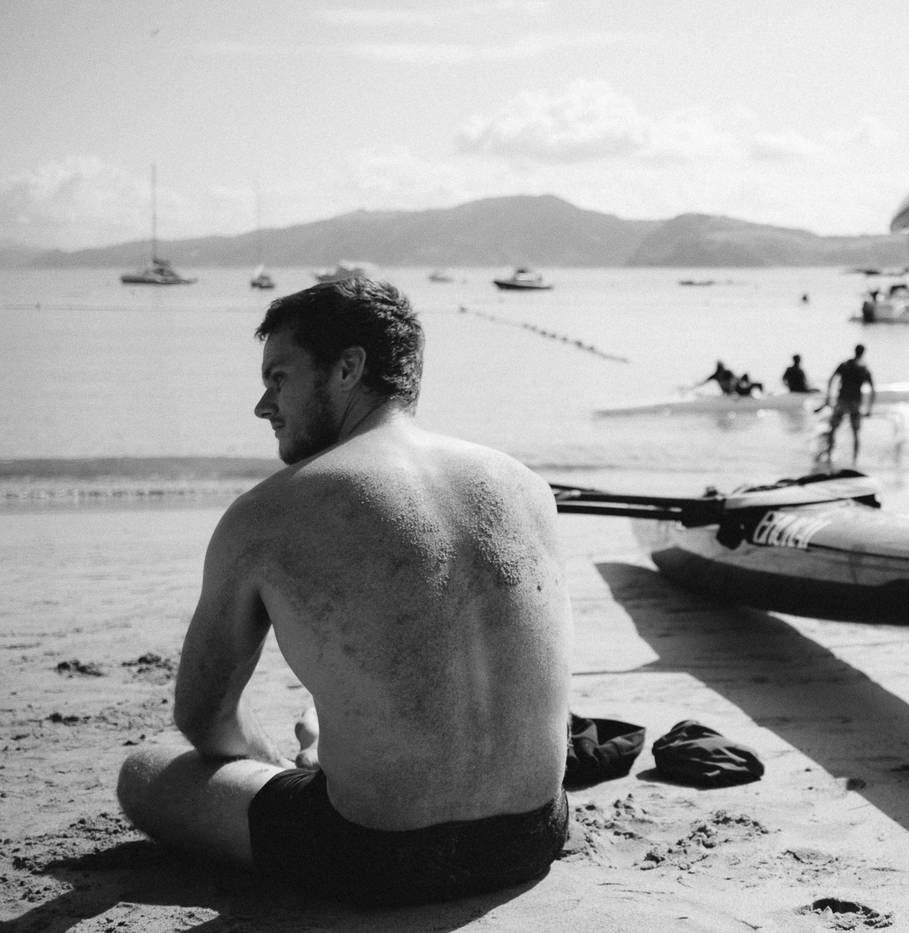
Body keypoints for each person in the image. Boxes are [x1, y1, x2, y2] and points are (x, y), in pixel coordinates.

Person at [116, 277, 573, 906]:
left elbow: (203, 718)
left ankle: (308, 761)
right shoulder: (526, 486)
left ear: (347, 369)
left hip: (373, 855)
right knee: (332, 722)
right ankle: (323, 750)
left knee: (144, 771)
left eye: (279, 378)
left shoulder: (266, 514)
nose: (263, 406)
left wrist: (272, 766)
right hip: (532, 837)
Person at [823, 344, 876, 463]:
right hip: (855, 403)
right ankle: (854, 459)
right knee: (855, 432)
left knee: (833, 429)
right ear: (863, 353)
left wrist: (828, 398)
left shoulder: (844, 365)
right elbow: (873, 390)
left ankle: (829, 454)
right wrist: (869, 409)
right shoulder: (864, 369)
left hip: (841, 401)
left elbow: (831, 380)